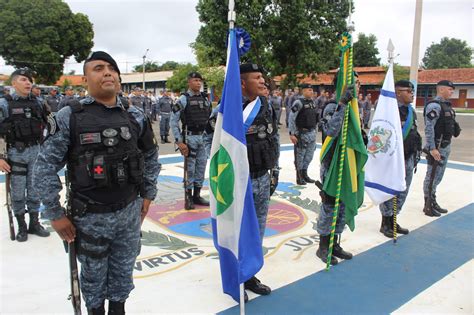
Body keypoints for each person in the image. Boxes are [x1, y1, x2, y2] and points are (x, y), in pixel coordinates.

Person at [32, 51, 160, 314]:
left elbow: (150, 155)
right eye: (98, 68)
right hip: (90, 218)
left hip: (128, 214)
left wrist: (148, 194)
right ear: (84, 79)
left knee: (123, 277)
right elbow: (44, 168)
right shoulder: (70, 117)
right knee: (93, 284)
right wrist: (55, 214)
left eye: (112, 68)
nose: (108, 72)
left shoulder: (134, 115)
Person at [239, 63, 278, 298]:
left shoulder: (266, 106)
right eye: (257, 78)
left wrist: (275, 172)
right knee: (238, 231)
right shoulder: (227, 109)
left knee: (257, 230)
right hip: (239, 182)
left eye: (263, 77)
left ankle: (250, 274)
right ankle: (237, 277)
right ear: (243, 83)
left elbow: (272, 140)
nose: (263, 81)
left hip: (262, 177)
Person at [0, 68, 50, 242]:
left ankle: (34, 223)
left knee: (35, 190)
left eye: (30, 80)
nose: (28, 83)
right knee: (18, 192)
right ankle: (21, 225)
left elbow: (49, 126)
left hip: (36, 152)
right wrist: (0, 157)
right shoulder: (4, 104)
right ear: (13, 83)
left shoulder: (39, 102)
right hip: (16, 154)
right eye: (23, 80)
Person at [316, 72, 361, 266]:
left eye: (358, 84)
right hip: (332, 165)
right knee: (330, 204)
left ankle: (335, 243)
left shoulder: (354, 109)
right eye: (355, 83)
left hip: (347, 163)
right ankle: (323, 246)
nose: (358, 87)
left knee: (342, 205)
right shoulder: (332, 107)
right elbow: (331, 131)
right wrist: (342, 104)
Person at [379, 80, 422, 237]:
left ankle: (393, 219)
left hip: (409, 157)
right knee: (391, 190)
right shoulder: (389, 112)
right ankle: (385, 222)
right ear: (398, 92)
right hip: (394, 160)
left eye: (412, 90)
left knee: (403, 190)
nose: (412, 93)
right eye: (408, 90)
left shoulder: (410, 111)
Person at [171, 71, 210, 210]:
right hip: (190, 138)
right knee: (190, 169)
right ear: (189, 82)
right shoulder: (183, 99)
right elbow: (173, 121)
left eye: (200, 80)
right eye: (195, 80)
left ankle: (197, 195)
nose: (198, 83)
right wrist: (179, 141)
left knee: (201, 167)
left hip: (203, 138)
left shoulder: (205, 98)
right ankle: (188, 196)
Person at [422, 80, 460, 217]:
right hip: (436, 147)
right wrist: (432, 148)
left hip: (445, 146)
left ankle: (432, 200)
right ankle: (428, 205)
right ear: (441, 90)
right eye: (450, 89)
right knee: (431, 176)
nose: (452, 92)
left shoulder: (446, 106)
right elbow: (429, 128)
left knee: (438, 176)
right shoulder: (434, 106)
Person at [289, 83, 318, 185]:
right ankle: (299, 176)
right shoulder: (298, 102)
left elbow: (315, 118)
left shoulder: (312, 102)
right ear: (304, 91)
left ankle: (305, 174)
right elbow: (292, 118)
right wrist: (292, 133)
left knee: (309, 156)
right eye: (309, 90)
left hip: (311, 134)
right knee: (300, 157)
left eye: (312, 90)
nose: (311, 92)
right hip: (302, 134)